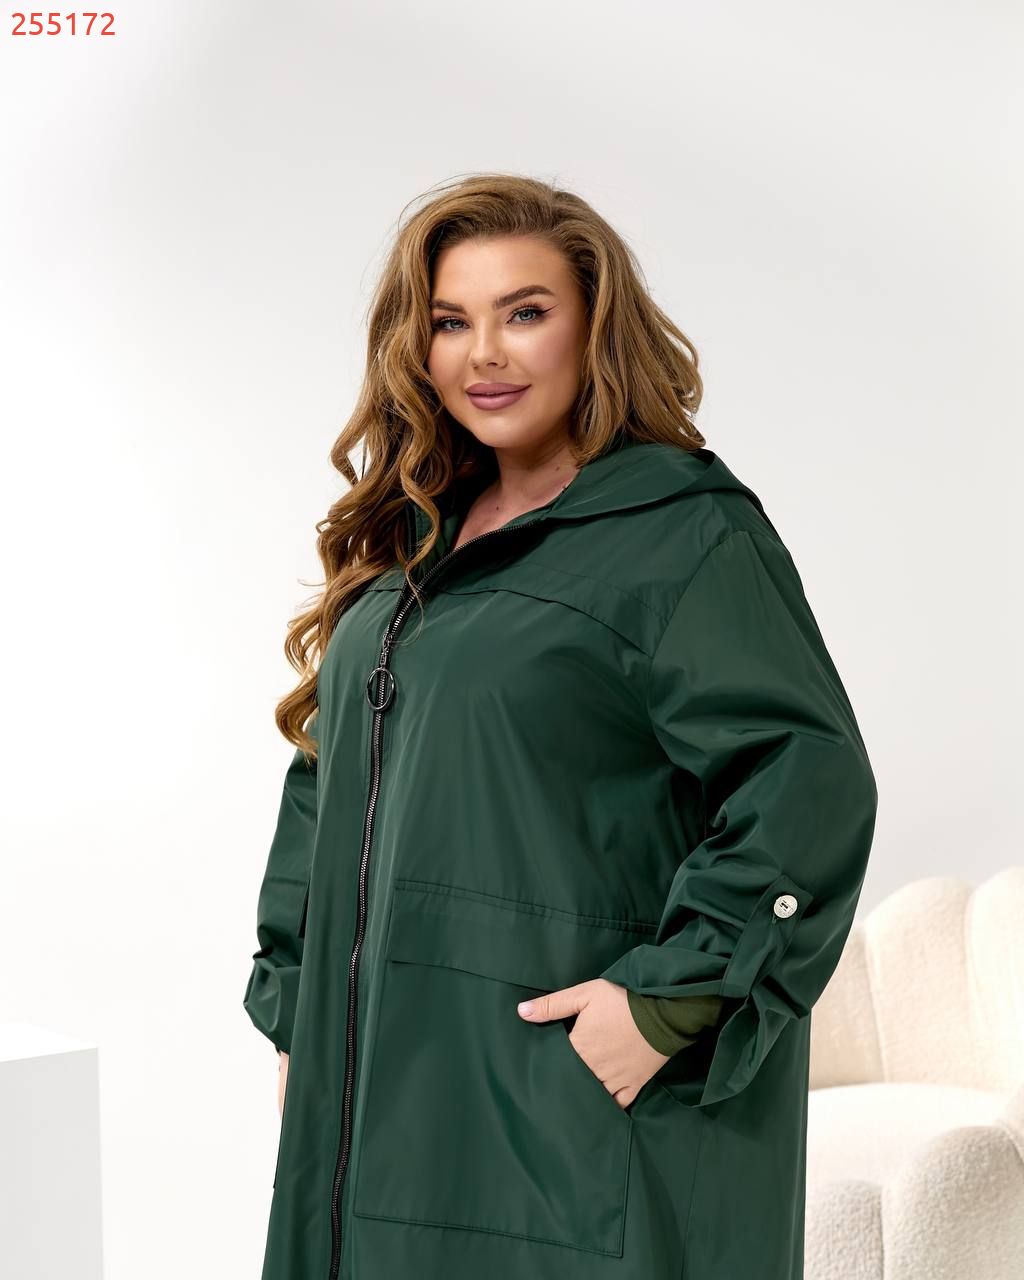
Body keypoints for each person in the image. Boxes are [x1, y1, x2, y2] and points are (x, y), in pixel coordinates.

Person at [243, 173, 878, 1280]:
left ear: (594, 328)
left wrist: (668, 998)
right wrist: (303, 1007)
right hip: (380, 1092)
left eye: (524, 312)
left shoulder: (683, 535)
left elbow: (807, 780)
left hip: (564, 1113)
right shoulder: (413, 543)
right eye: (451, 321)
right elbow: (327, 780)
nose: (484, 354)